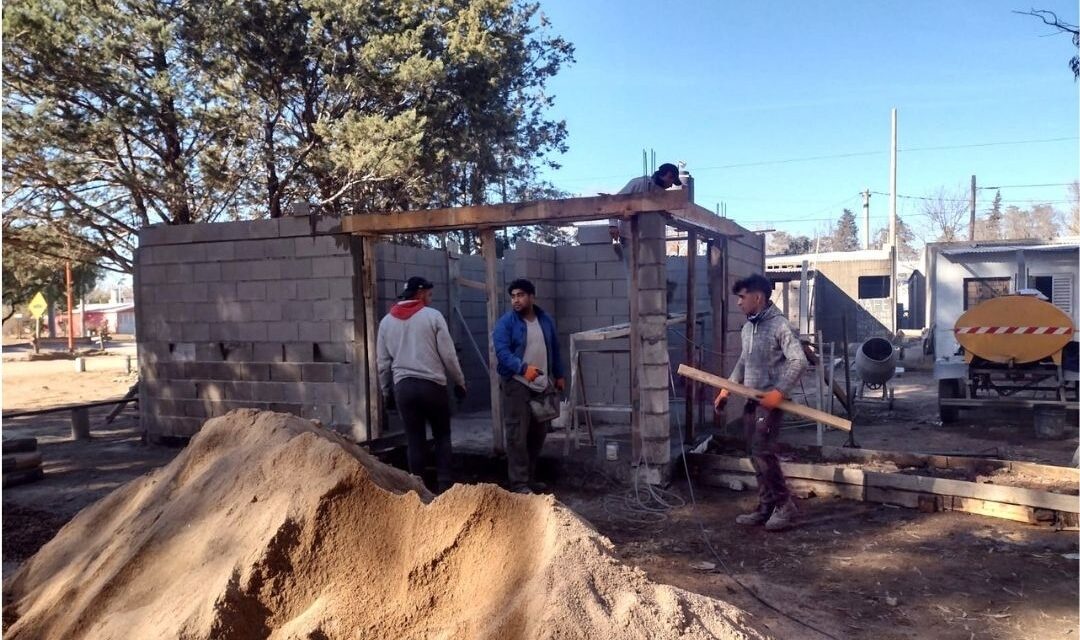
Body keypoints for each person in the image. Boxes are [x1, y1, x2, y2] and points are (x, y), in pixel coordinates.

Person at [714, 273, 808, 531]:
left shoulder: (780, 326)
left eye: (742, 297)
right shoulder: (748, 328)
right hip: (751, 401)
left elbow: (799, 361)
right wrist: (726, 389)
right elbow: (744, 362)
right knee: (754, 455)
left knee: (762, 453)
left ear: (758, 297)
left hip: (771, 402)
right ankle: (766, 507)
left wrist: (779, 391)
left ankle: (784, 505)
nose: (738, 303)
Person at [377, 276, 466, 493]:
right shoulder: (433, 316)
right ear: (420, 294)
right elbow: (449, 355)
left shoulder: (386, 321)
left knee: (415, 439)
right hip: (432, 386)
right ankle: (444, 485)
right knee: (442, 435)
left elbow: (382, 362)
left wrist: (386, 391)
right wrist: (460, 382)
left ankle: (417, 489)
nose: (430, 299)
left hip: (404, 388)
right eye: (429, 294)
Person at [492, 278, 565, 494]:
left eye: (521, 295)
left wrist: (559, 374)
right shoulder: (506, 323)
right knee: (517, 435)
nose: (516, 300)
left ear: (531, 297)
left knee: (537, 433)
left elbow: (554, 347)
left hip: (541, 384)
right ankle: (519, 484)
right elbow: (502, 353)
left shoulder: (545, 320)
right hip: (517, 384)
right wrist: (523, 369)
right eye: (513, 296)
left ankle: (530, 478)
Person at [608, 162, 683, 254]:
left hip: (648, 238)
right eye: (672, 181)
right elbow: (614, 203)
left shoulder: (662, 195)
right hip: (629, 236)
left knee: (648, 267)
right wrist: (613, 225)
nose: (671, 185)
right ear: (668, 176)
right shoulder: (638, 184)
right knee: (632, 266)